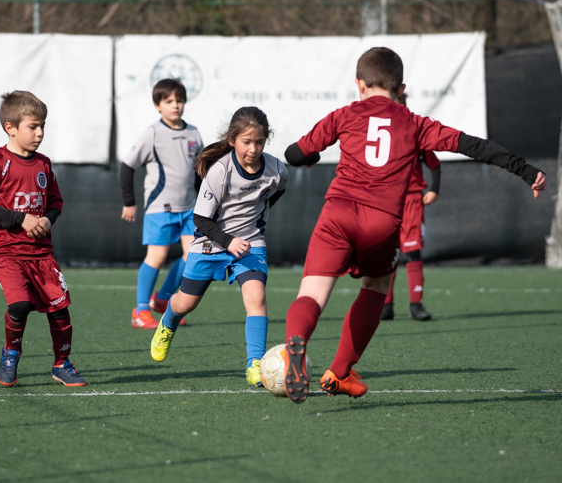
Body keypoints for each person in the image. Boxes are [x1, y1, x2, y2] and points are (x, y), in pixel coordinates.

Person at [282, 47, 546, 404]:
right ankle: (340, 371)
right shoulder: (415, 123)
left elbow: (294, 154)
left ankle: (297, 341)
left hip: (338, 213)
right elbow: (474, 146)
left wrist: (311, 156)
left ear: (359, 84)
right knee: (376, 289)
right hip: (381, 223)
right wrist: (525, 170)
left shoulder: (344, 115)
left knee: (312, 295)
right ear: (401, 89)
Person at [149, 106, 288, 387]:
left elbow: (277, 191)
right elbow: (200, 219)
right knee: (186, 303)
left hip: (249, 243)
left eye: (260, 142)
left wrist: (253, 222)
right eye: (247, 142)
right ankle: (168, 321)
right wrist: (228, 240)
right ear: (232, 140)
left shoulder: (277, 169)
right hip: (211, 242)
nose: (253, 149)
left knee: (256, 296)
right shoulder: (220, 171)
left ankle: (255, 364)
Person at [0, 90, 87, 388]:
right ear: (10, 128)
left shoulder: (44, 163)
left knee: (60, 308)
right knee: (20, 305)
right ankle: (10, 355)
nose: (39, 133)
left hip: (41, 253)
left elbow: (56, 202)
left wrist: (47, 220)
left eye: (42, 126)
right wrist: (21, 219)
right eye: (33, 127)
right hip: (7, 251)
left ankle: (62, 364)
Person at [121, 78, 203, 329]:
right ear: (157, 106)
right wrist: (129, 202)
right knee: (156, 258)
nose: (175, 105)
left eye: (179, 100)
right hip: (160, 207)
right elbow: (128, 166)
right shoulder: (153, 133)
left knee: (194, 257)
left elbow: (199, 172)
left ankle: (163, 298)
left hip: (190, 208)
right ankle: (140, 311)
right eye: (168, 101)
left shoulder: (193, 133)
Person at [381, 93, 441, 321]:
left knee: (412, 251)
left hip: (412, 200)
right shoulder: (379, 134)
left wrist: (434, 189)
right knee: (387, 253)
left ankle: (416, 305)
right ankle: (385, 306)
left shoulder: (415, 131)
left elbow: (434, 163)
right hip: (385, 201)